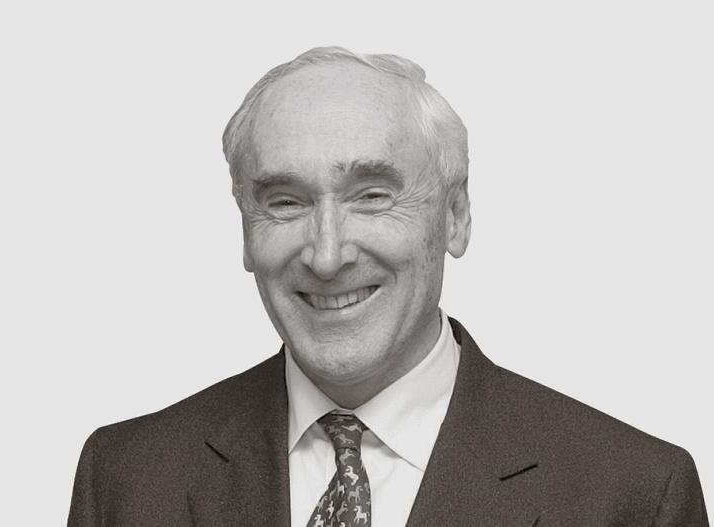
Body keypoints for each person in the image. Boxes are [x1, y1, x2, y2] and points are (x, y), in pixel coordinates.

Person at [67, 47, 708, 526]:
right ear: (245, 231)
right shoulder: (126, 477)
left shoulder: (633, 495)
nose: (327, 255)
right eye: (285, 202)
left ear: (455, 216)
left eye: (372, 196)